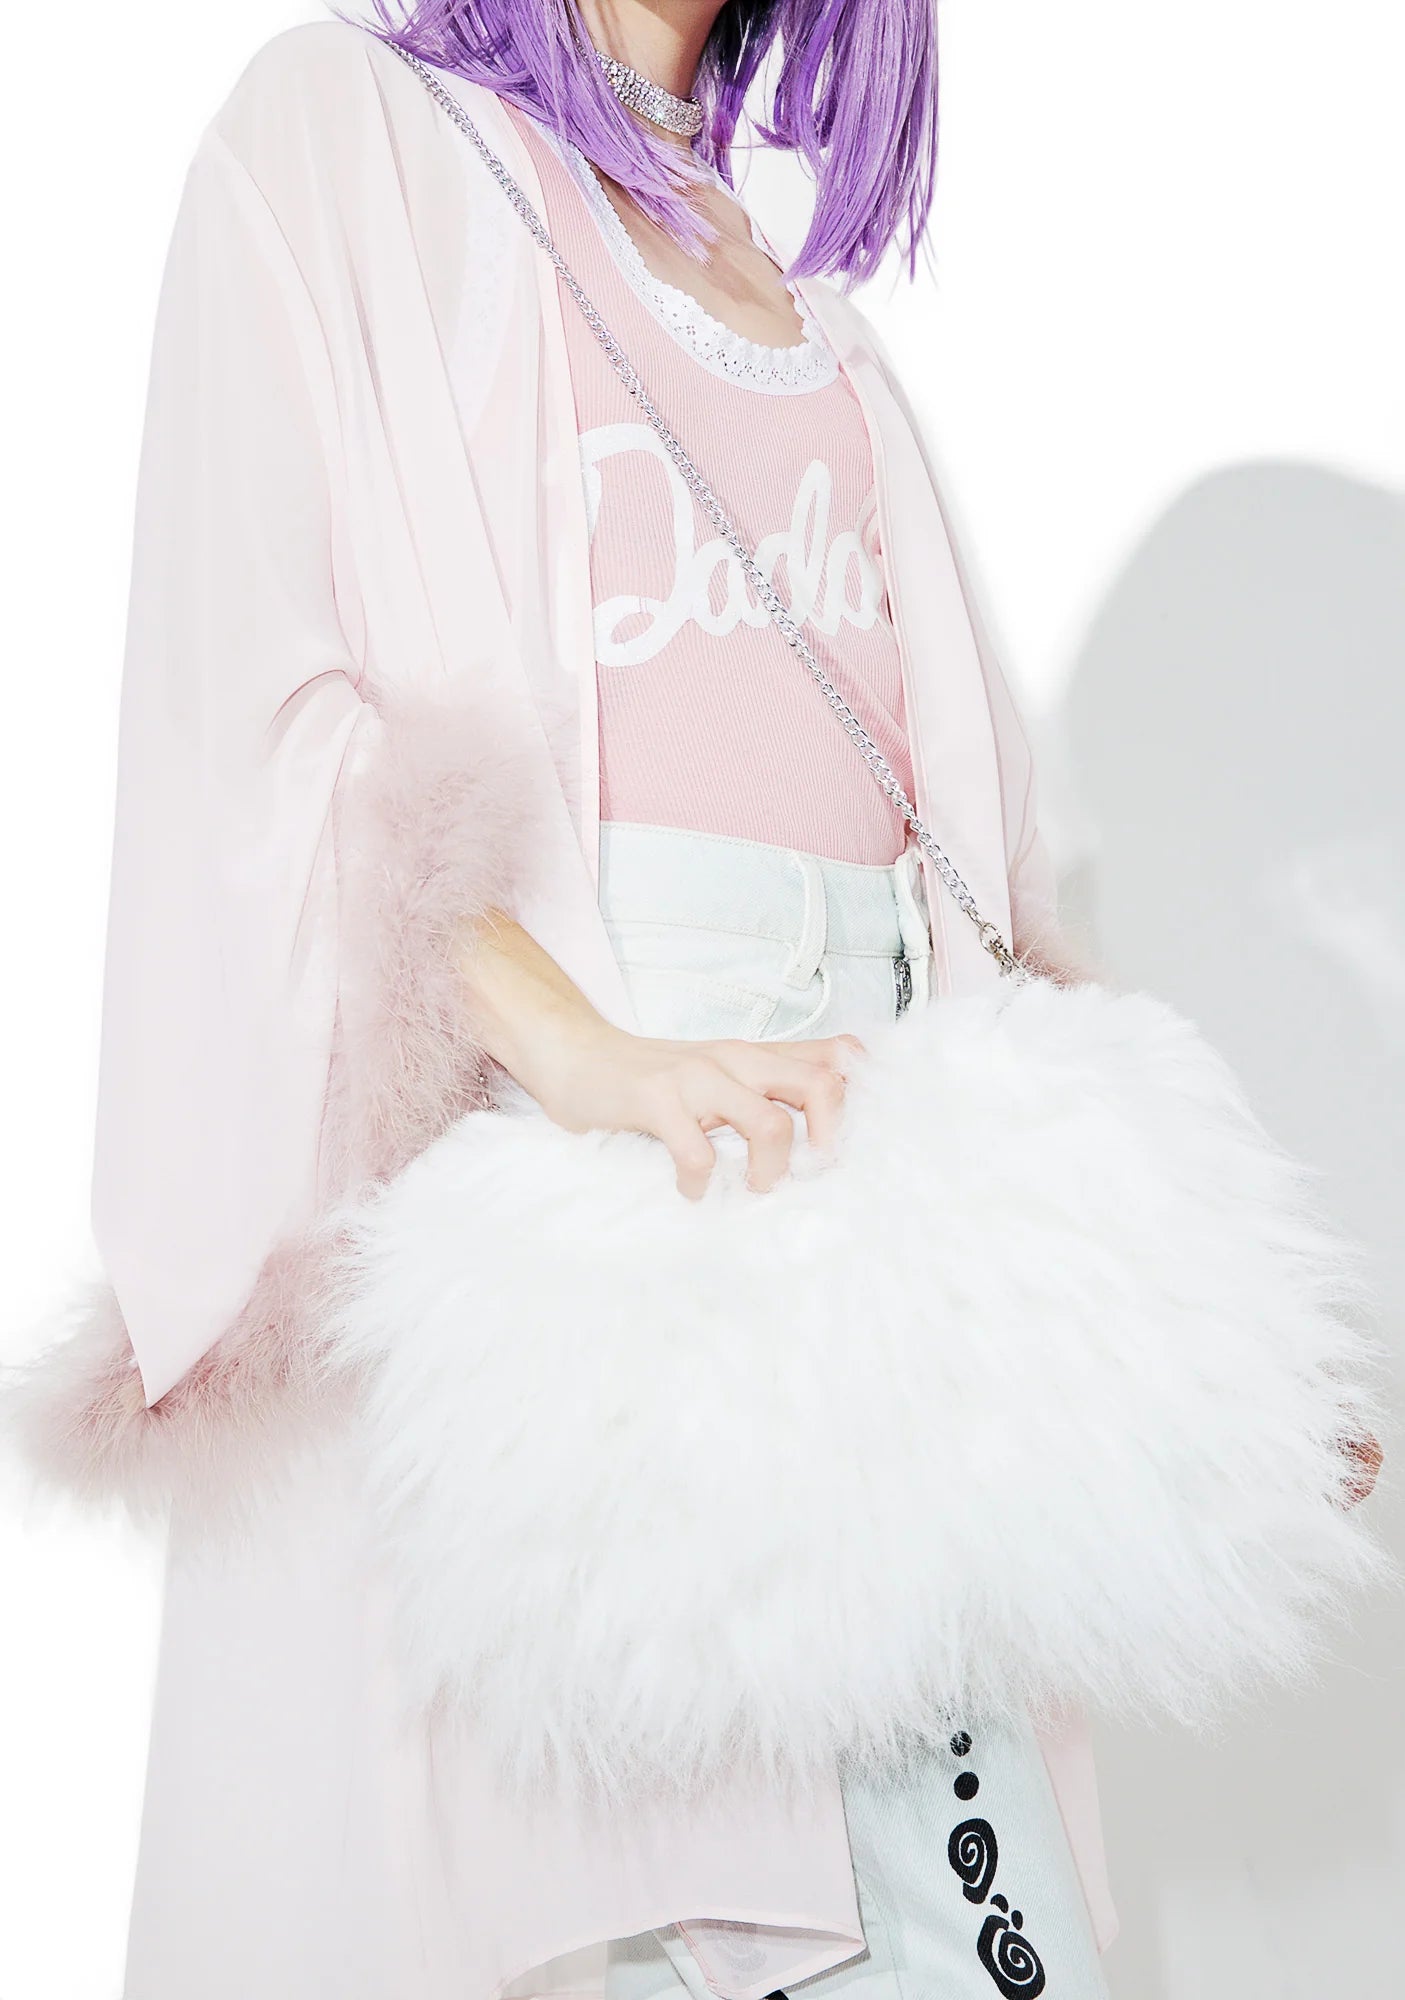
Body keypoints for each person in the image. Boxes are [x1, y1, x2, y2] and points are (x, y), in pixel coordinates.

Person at [71, 4, 1127, 1994]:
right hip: (567, 1239)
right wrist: (583, 1050)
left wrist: (1160, 1317)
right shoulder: (350, 142)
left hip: (868, 1240)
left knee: (941, 1906)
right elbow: (254, 720)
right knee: (607, 1896)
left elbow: (975, 880)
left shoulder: (795, 302)